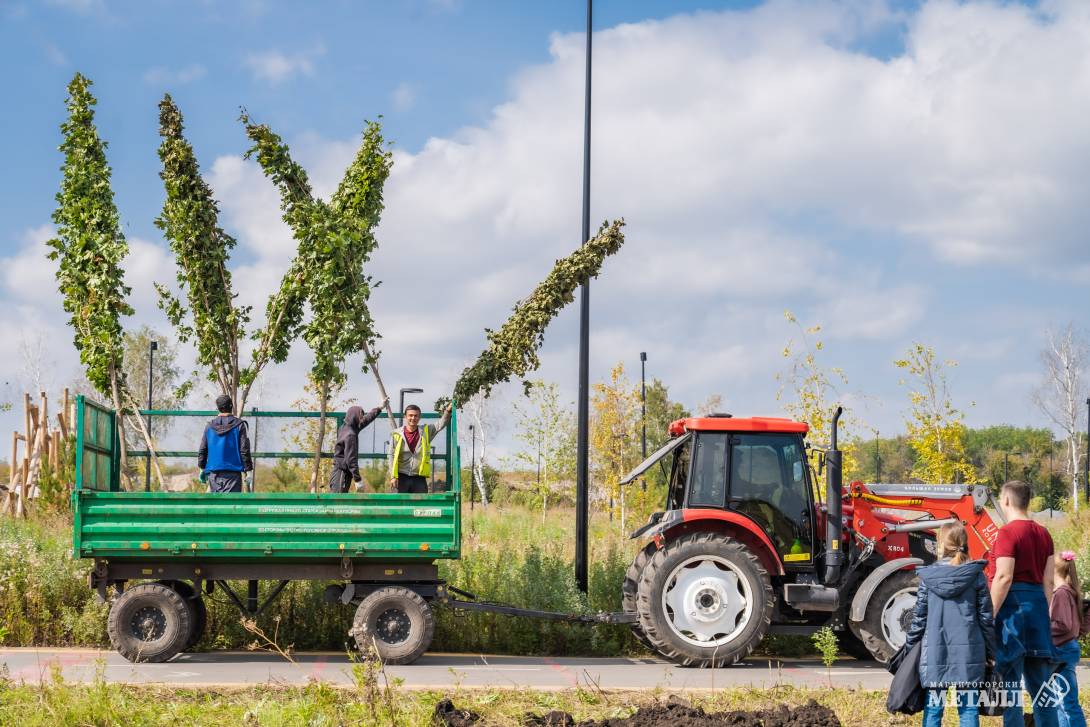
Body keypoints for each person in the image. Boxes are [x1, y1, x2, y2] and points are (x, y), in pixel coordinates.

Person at [903, 522, 995, 727]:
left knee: (934, 708)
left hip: (936, 652)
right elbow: (986, 619)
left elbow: (919, 618)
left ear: (941, 544)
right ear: (964, 543)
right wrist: (992, 652)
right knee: (969, 708)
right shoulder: (976, 576)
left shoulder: (928, 577)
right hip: (969, 654)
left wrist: (910, 649)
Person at [990, 480, 1059, 727]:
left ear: (1006, 500)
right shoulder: (1044, 533)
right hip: (1038, 610)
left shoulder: (1007, 533)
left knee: (1010, 688)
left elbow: (1003, 577)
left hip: (1012, 613)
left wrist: (989, 614)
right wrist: (1045, 614)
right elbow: (1049, 581)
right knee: (1042, 689)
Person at [1050, 550, 1087, 727]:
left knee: (1067, 703)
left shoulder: (1061, 593)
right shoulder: (1070, 591)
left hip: (1061, 649)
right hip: (1067, 648)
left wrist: (1041, 630)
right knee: (1059, 702)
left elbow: (1062, 624)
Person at [388, 403, 451, 493]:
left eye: (416, 416)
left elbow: (440, 424)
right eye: (410, 415)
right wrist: (393, 476)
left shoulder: (426, 431)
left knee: (420, 506)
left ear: (419, 417)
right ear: (405, 417)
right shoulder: (397, 434)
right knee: (399, 505)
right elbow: (391, 455)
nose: (413, 418)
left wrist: (448, 411)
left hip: (419, 477)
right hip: (401, 476)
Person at [196, 395, 252, 493]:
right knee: (231, 506)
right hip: (233, 475)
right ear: (232, 406)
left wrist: (201, 468)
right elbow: (244, 450)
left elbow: (202, 450)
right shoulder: (239, 425)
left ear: (218, 408)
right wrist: (249, 471)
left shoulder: (209, 426)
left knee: (216, 506)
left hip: (213, 474)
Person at [329, 399, 387, 493]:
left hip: (339, 470)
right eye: (360, 416)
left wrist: (379, 408)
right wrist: (357, 479)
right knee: (338, 501)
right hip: (342, 472)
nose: (361, 419)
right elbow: (351, 459)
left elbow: (366, 420)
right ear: (354, 416)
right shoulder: (350, 434)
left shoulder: (344, 427)